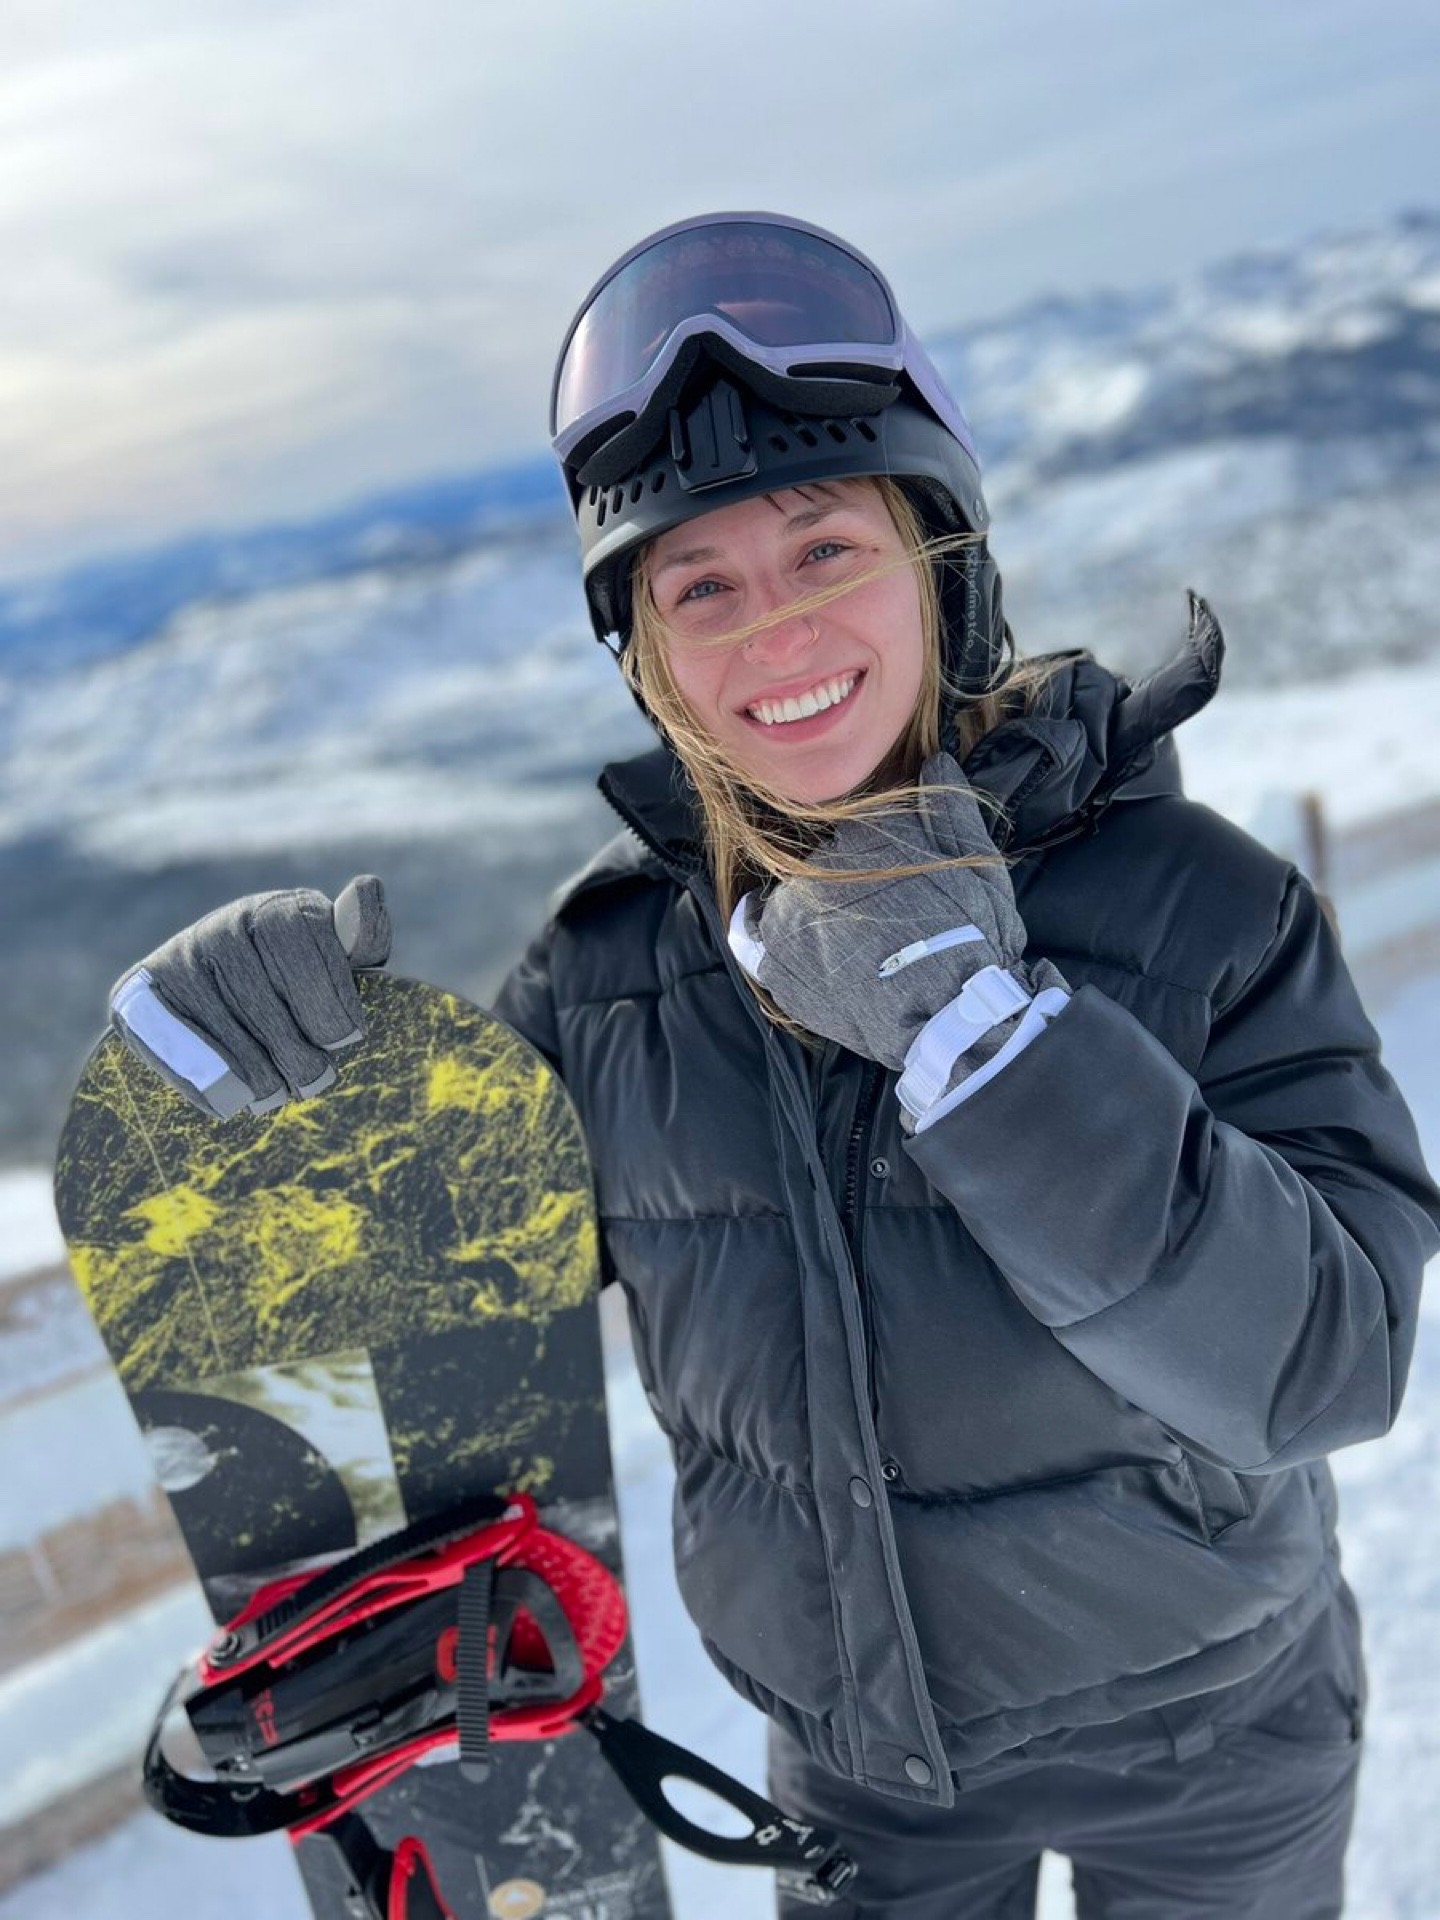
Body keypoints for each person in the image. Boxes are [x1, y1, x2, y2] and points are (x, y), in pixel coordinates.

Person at [110, 212, 1440, 1918]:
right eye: (702, 590)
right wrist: (259, 1095)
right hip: (860, 1776)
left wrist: (988, 1042)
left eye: (825, 550)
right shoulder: (606, 979)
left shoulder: (1206, 911)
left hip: (1220, 1742)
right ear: (649, 657)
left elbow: (1334, 1365)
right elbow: (428, 1286)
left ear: (939, 564)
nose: (777, 634)